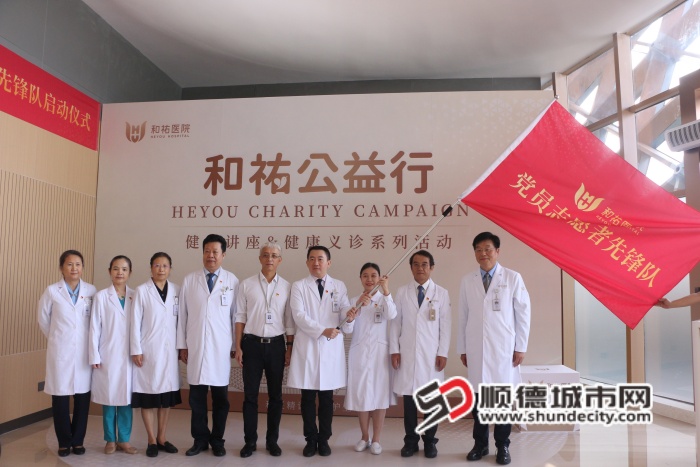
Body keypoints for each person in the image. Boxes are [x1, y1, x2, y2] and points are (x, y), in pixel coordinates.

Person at [458, 231, 531, 466]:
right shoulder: (467, 280)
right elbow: (463, 316)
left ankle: (503, 446)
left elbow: (523, 314)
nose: (483, 253)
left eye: (488, 249)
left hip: (503, 348)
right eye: (478, 250)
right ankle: (480, 444)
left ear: (497, 251)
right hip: (476, 348)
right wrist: (463, 348)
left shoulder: (512, 278)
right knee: (479, 399)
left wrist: (520, 346)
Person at [287, 245, 367, 457]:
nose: (316, 263)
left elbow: (343, 312)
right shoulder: (299, 286)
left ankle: (324, 440)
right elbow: (299, 316)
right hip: (308, 347)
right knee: (307, 399)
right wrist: (322, 330)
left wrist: (350, 315)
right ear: (307, 262)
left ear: (328, 263)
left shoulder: (338, 286)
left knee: (326, 400)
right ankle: (310, 440)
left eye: (320, 259)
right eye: (312, 259)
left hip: (330, 349)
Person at [177, 234, 239, 457]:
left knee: (221, 399)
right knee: (197, 399)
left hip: (221, 347)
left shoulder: (232, 281)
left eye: (215, 252)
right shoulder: (190, 280)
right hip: (196, 346)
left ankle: (218, 440)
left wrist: (236, 344)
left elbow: (236, 316)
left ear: (223, 255)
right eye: (207, 251)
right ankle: (200, 439)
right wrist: (182, 345)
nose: (210, 256)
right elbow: (182, 316)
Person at [235, 242, 295, 458]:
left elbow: (289, 321)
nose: (270, 259)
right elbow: (240, 316)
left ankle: (272, 441)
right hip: (251, 344)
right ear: (260, 258)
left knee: (276, 396)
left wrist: (289, 348)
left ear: (280, 260)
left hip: (276, 345)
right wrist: (238, 346)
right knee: (250, 396)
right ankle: (250, 441)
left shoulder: (287, 287)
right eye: (266, 255)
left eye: (274, 255)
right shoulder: (247, 284)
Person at [390, 249, 450, 459]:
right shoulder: (402, 292)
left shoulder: (441, 293)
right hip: (407, 353)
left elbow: (446, 326)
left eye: (424, 264)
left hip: (431, 354)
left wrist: (443, 352)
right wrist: (394, 350)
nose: (420, 268)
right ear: (411, 268)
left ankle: (430, 441)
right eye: (416, 264)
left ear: (431, 267)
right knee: (409, 401)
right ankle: (411, 441)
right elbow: (395, 323)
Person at [38, 250, 97, 458]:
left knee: (82, 398)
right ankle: (64, 442)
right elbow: (43, 319)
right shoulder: (52, 291)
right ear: (61, 268)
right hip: (60, 351)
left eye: (78, 264)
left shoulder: (91, 290)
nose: (74, 268)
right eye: (70, 264)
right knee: (60, 398)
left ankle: (78, 441)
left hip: (84, 352)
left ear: (82, 267)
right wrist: (58, 337)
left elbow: (95, 320)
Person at [130, 252, 181, 458]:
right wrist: (136, 349)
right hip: (148, 350)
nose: (161, 269)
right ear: (151, 268)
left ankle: (162, 437)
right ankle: (151, 439)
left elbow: (181, 322)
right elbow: (134, 322)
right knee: (148, 396)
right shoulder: (142, 291)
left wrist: (181, 346)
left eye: (165, 266)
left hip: (170, 351)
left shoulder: (177, 290)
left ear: (170, 269)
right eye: (157, 265)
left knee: (166, 398)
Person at [344, 262, 397, 455]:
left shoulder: (384, 299)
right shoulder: (353, 300)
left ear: (379, 278)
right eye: (365, 275)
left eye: (373, 275)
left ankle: (376, 440)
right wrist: (355, 310)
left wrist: (386, 291)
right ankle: (364, 437)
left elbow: (392, 315)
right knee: (361, 395)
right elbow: (347, 328)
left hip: (379, 355)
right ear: (360, 278)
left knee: (379, 396)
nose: (369, 279)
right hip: (359, 353)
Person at [89, 255, 138, 455]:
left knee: (126, 400)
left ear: (130, 273)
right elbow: (94, 327)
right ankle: (110, 439)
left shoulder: (135, 296)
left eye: (124, 269)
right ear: (109, 271)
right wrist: (94, 355)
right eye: (116, 268)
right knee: (109, 399)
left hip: (129, 355)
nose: (120, 273)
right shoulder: (101, 296)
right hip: (107, 354)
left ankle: (124, 439)